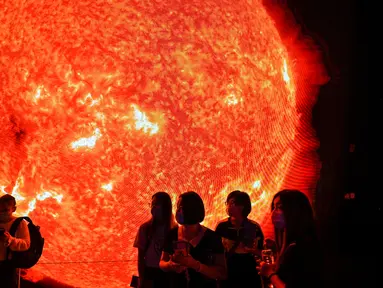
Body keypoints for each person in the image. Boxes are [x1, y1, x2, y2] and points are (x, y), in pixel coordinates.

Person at [257, 190, 324, 288]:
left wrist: (270, 274)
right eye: (274, 207)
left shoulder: (303, 246)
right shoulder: (292, 243)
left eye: (280, 207)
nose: (274, 212)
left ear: (295, 210)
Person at [159, 191, 227, 288]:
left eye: (180, 208)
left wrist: (196, 265)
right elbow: (162, 263)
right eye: (177, 207)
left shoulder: (212, 237)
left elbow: (222, 273)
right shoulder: (172, 234)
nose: (177, 211)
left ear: (193, 209)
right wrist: (170, 265)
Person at [215, 190, 264, 288]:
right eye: (227, 203)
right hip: (228, 273)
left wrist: (252, 250)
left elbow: (262, 252)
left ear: (242, 206)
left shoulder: (254, 227)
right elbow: (215, 250)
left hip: (250, 274)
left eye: (232, 203)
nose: (228, 205)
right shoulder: (222, 227)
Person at [133, 192, 176, 288]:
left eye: (156, 204)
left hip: (168, 274)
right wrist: (142, 278)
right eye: (152, 204)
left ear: (165, 207)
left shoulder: (175, 229)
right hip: (150, 273)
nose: (153, 207)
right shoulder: (145, 228)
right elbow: (141, 258)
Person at [0, 194, 31, 288]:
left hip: (8, 267)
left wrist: (10, 240)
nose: (2, 213)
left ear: (13, 209)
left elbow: (26, 244)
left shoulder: (19, 223)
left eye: (6, 210)